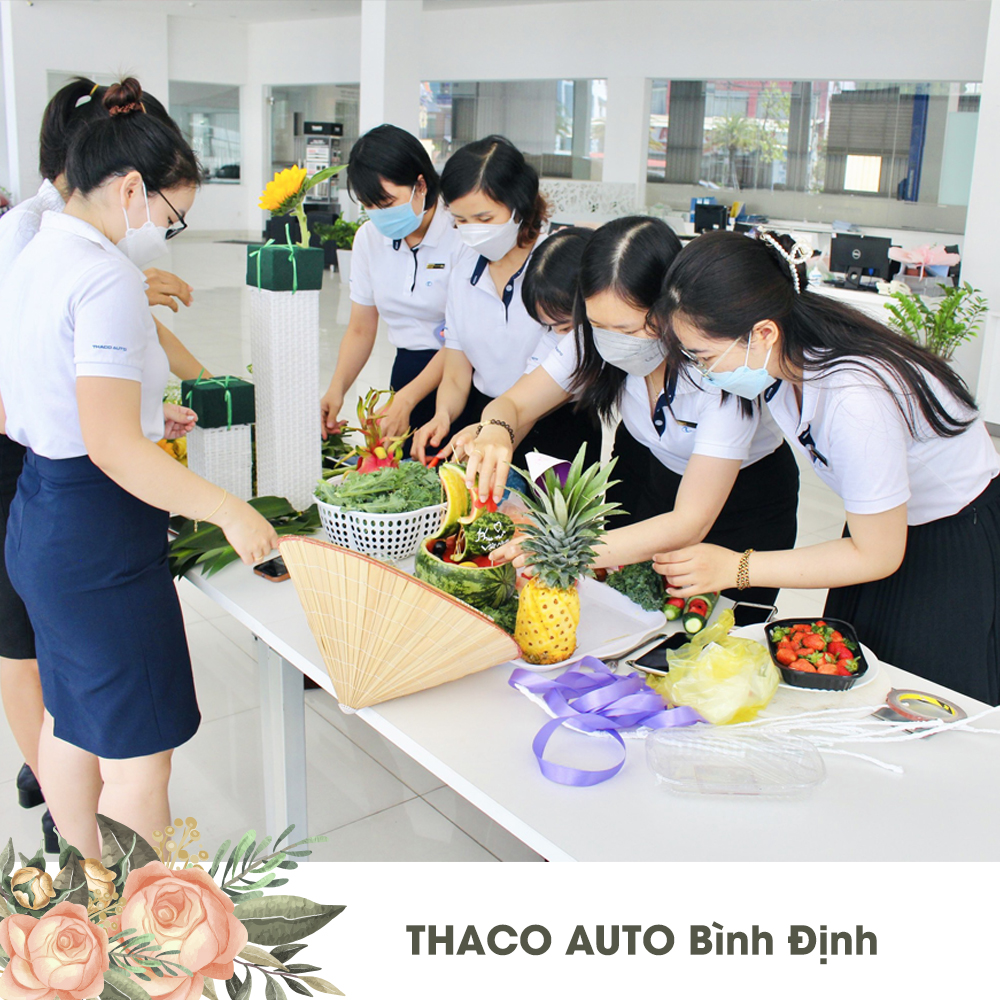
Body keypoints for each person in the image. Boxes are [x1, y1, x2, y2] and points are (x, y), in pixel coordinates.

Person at [0, 78, 278, 860]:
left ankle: (87, 887)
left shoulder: (34, 249)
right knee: (137, 763)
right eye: (170, 215)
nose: (166, 232)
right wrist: (228, 508)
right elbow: (112, 448)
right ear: (129, 188)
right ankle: (141, 919)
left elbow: (57, 399)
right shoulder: (107, 277)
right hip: (98, 535)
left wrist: (149, 416)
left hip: (40, 511)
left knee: (70, 722)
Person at [655, 229, 1000, 703]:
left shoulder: (856, 399)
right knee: (855, 679)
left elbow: (878, 555)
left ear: (763, 333)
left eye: (705, 356)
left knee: (917, 698)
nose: (702, 370)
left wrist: (737, 567)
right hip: (880, 528)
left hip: (948, 536)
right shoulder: (785, 365)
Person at [468, 216, 799, 605]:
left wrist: (559, 549)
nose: (612, 342)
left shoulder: (717, 370)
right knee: (637, 606)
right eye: (597, 325)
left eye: (628, 330)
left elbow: (690, 522)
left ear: (670, 307)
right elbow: (514, 404)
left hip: (743, 504)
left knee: (723, 626)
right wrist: (496, 430)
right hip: (660, 483)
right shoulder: (593, 338)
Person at [410, 135, 600, 468]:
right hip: (486, 417)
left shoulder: (557, 267)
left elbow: (566, 374)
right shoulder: (464, 272)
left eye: (484, 219)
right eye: (461, 221)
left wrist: (500, 426)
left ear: (519, 206)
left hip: (557, 422)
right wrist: (442, 415)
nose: (472, 231)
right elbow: (455, 373)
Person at [320, 125, 466, 455]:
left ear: (420, 185)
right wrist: (336, 389)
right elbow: (360, 328)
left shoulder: (460, 233)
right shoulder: (369, 239)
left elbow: (464, 336)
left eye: (387, 202)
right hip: (406, 372)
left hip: (459, 374)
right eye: (370, 206)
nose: (380, 216)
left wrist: (407, 399)